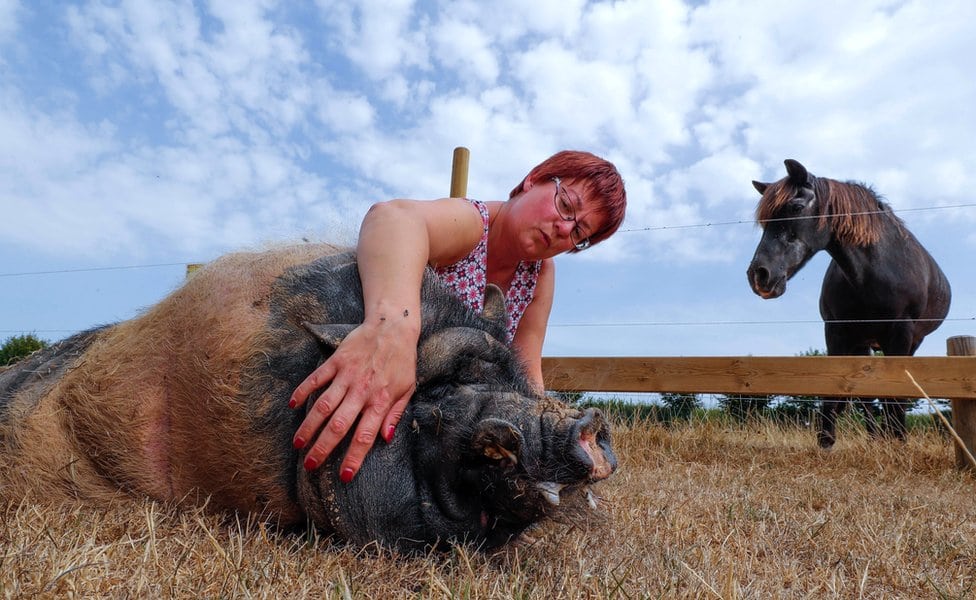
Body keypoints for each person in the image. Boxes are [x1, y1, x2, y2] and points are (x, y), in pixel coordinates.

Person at [289, 150, 627, 482]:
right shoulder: (472, 223)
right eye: (565, 205)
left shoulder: (540, 276)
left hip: (447, 417)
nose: (563, 229)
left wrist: (550, 436)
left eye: (579, 234)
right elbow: (392, 218)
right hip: (393, 379)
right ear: (532, 180)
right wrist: (393, 330)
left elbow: (527, 368)